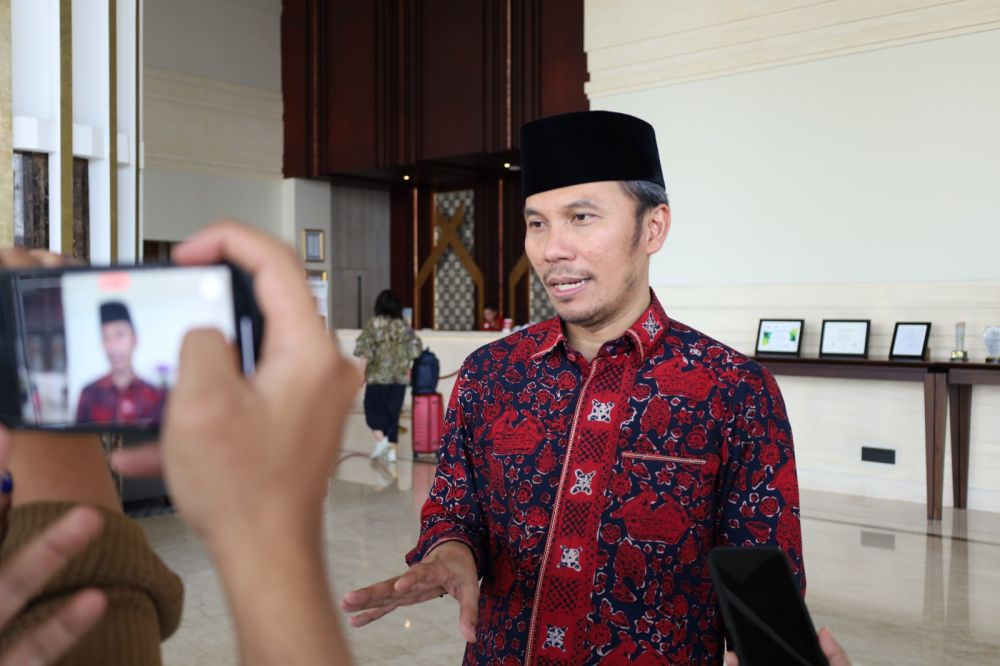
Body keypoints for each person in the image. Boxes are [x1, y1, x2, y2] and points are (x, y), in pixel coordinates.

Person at [341, 111, 805, 663]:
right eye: (537, 223)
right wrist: (451, 552)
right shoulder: (489, 375)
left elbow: (765, 605)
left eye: (581, 217)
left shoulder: (733, 390)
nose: (552, 249)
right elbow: (454, 508)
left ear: (653, 227)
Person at [353, 289, 422, 462]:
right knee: (392, 414)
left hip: (378, 378)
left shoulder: (374, 324)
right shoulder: (403, 325)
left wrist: (361, 374)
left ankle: (382, 442)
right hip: (399, 379)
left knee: (372, 411)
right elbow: (415, 349)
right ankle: (389, 450)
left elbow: (365, 350)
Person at [75, 301, 167, 425]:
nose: (112, 346)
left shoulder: (155, 396)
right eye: (106, 338)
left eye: (119, 335)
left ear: (134, 340)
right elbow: (79, 437)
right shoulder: (89, 394)